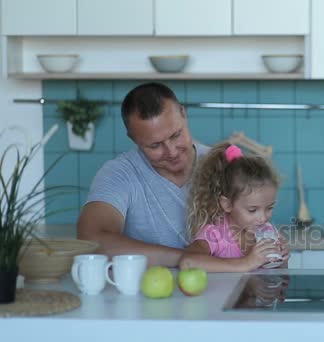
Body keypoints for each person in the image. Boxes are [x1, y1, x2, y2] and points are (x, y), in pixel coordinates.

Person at [77, 82, 210, 267]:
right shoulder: (119, 173)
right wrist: (187, 258)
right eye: (154, 145)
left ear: (183, 113)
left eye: (176, 135)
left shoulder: (225, 164)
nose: (171, 152)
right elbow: (91, 240)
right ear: (133, 138)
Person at [178, 142, 289, 272]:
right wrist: (246, 263)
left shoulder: (267, 230)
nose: (263, 218)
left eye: (269, 208)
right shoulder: (215, 234)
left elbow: (275, 275)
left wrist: (281, 261)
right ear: (227, 204)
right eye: (252, 210)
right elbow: (187, 262)